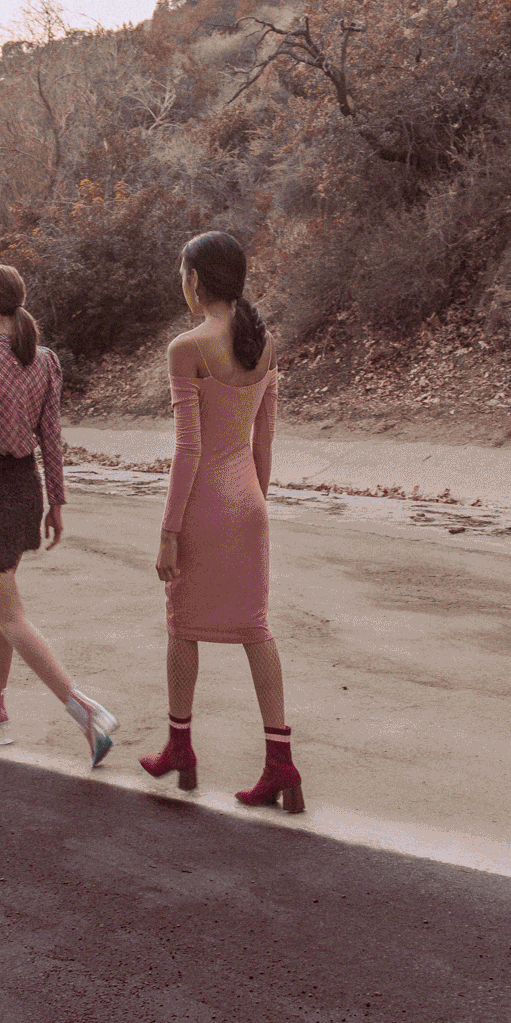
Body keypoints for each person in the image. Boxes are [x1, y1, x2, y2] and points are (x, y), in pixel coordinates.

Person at [141, 232, 302, 812]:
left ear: (195, 280)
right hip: (249, 504)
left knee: (182, 625)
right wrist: (255, 505)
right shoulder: (265, 344)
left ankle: (180, 749)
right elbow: (264, 442)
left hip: (203, 506)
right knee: (256, 629)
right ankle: (281, 763)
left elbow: (189, 449)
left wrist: (169, 532)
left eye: (182, 274)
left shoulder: (187, 348)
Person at [0, 264, 116, 765]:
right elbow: (52, 437)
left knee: (11, 615)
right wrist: (57, 502)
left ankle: (86, 713)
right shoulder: (45, 361)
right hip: (26, 490)